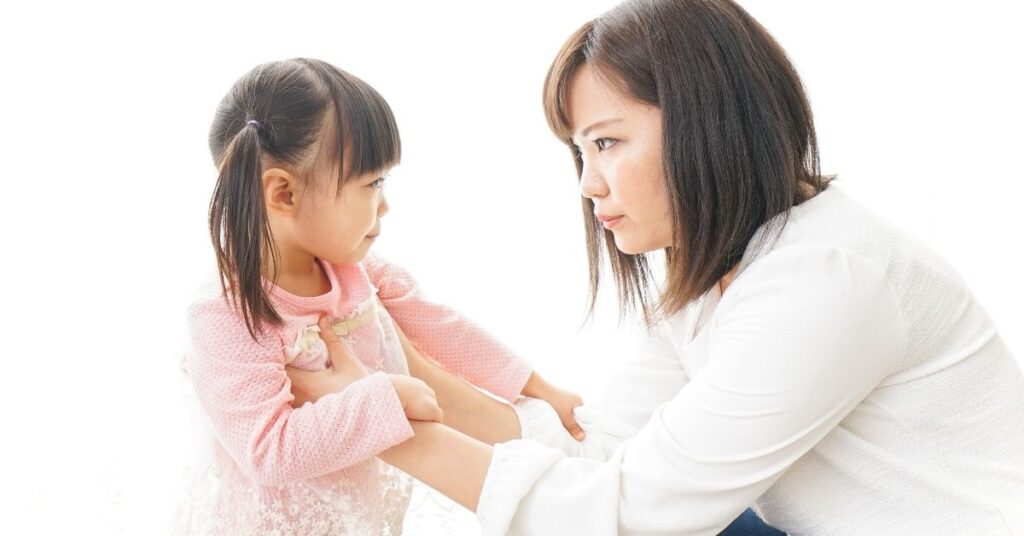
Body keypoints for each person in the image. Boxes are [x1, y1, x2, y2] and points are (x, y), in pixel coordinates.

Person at [290, 1, 1024, 534]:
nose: (588, 183)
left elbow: (632, 518)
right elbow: (606, 452)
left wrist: (376, 422)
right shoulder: (718, 274)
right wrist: (407, 372)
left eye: (607, 143)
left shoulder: (824, 278)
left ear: (711, 121)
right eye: (580, 152)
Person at [175, 58, 582, 535]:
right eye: (372, 183)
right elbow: (268, 449)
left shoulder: (356, 271)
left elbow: (444, 330)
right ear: (283, 193)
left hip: (362, 519)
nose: (385, 204)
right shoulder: (227, 314)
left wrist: (537, 388)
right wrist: (383, 394)